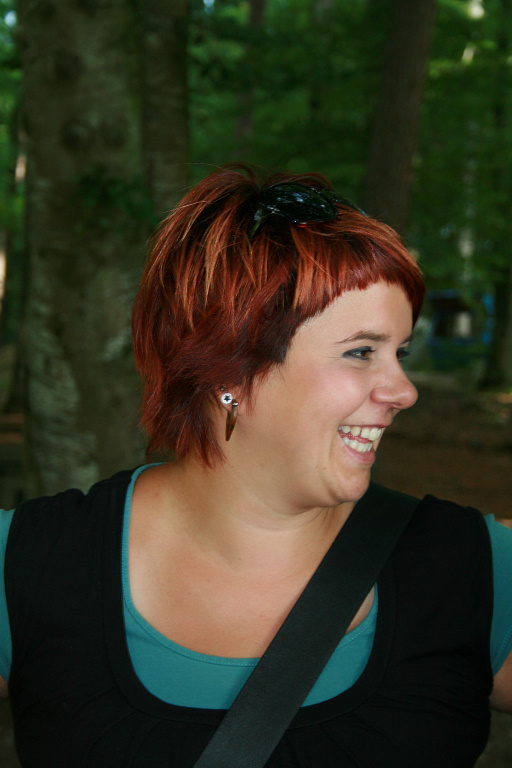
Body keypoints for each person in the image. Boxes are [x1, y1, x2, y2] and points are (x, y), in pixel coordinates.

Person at [0, 164, 511, 767]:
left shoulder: (473, 568)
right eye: (360, 352)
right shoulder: (29, 563)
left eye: (399, 352)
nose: (404, 391)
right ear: (229, 373)